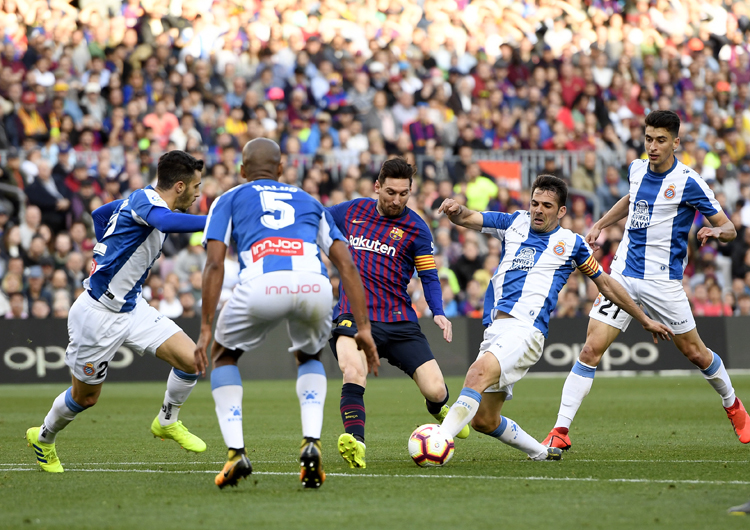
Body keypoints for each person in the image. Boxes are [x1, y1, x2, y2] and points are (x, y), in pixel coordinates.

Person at [543, 110, 750, 452]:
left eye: (661, 140)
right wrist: (601, 224)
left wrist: (715, 231)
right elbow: (631, 198)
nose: (653, 147)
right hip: (622, 274)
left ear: (676, 143)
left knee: (695, 353)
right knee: (591, 349)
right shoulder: (637, 168)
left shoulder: (688, 181)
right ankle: (560, 430)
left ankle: (733, 405)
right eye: (649, 139)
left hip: (662, 282)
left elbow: (729, 227)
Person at [436, 175, 673, 461]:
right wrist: (454, 209)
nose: (538, 210)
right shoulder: (515, 222)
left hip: (525, 329)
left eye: (547, 205)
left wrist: (643, 319)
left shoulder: (572, 244)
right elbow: (469, 217)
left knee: (475, 374)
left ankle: (438, 441)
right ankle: (541, 452)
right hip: (496, 330)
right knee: (484, 420)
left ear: (561, 211)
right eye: (535, 203)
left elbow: (606, 285)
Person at [195, 138, 377, 490]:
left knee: (224, 355)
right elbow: (347, 266)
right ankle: (312, 442)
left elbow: (215, 263)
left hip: (261, 283)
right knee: (309, 355)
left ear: (243, 171)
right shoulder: (310, 201)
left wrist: (205, 328)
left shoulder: (229, 198)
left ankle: (236, 452)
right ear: (281, 169)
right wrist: (364, 327)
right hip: (314, 284)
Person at [26, 151, 208, 473]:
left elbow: (99, 214)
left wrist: (112, 250)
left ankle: (167, 421)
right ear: (179, 186)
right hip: (97, 314)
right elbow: (165, 222)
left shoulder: (139, 203)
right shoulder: (148, 204)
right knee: (85, 398)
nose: (199, 194)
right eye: (196, 187)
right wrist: (217, 221)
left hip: (132, 306)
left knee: (192, 360)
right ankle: (44, 437)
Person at [326, 157, 469, 470]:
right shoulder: (350, 211)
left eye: (403, 194)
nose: (396, 200)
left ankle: (438, 409)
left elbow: (429, 275)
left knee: (437, 389)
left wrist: (438, 312)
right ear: (377, 187)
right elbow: (316, 220)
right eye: (390, 192)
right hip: (355, 315)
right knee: (353, 372)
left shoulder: (416, 228)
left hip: (399, 319)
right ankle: (356, 443)